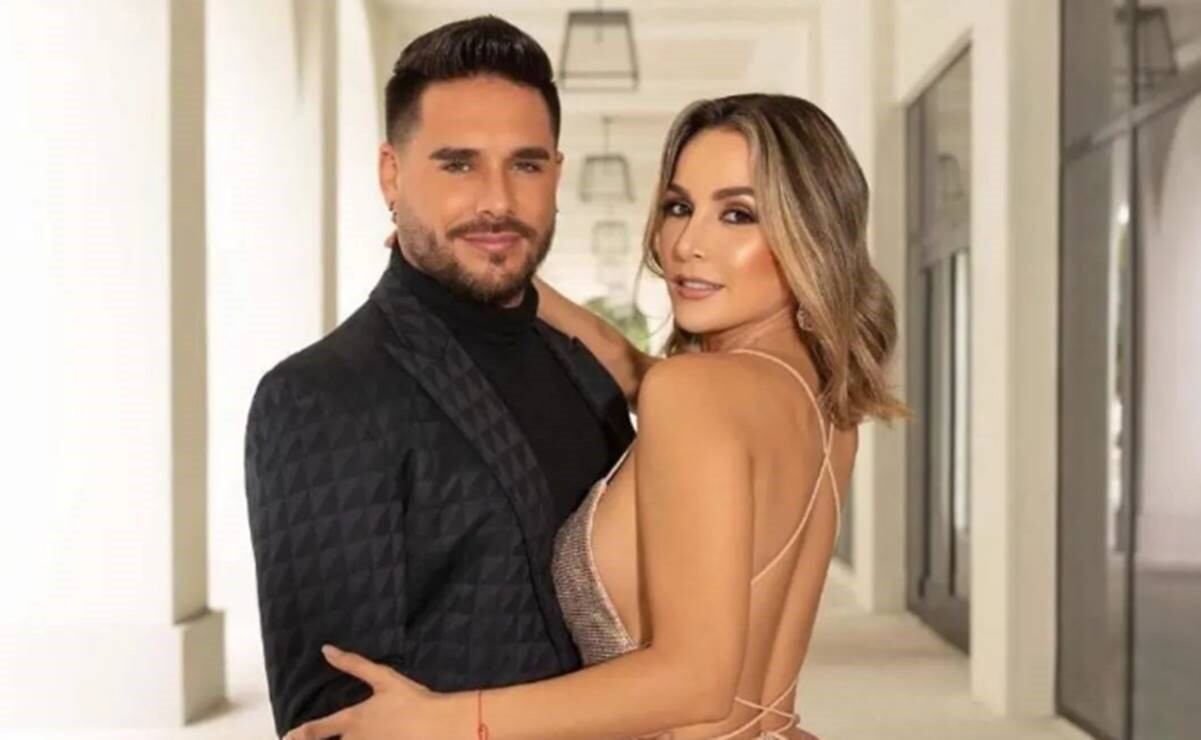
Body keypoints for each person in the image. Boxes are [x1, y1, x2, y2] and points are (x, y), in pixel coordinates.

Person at [285, 92, 907, 740]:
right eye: (678, 207)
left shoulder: (697, 393)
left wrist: (445, 721)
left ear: (811, 234)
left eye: (737, 214)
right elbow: (631, 366)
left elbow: (694, 681)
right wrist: (502, 268)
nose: (686, 244)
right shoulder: (823, 403)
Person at [243, 16, 635, 737]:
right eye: (458, 165)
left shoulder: (586, 372)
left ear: (556, 174)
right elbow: (338, 722)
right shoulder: (323, 395)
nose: (497, 201)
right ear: (391, 174)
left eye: (525, 165)